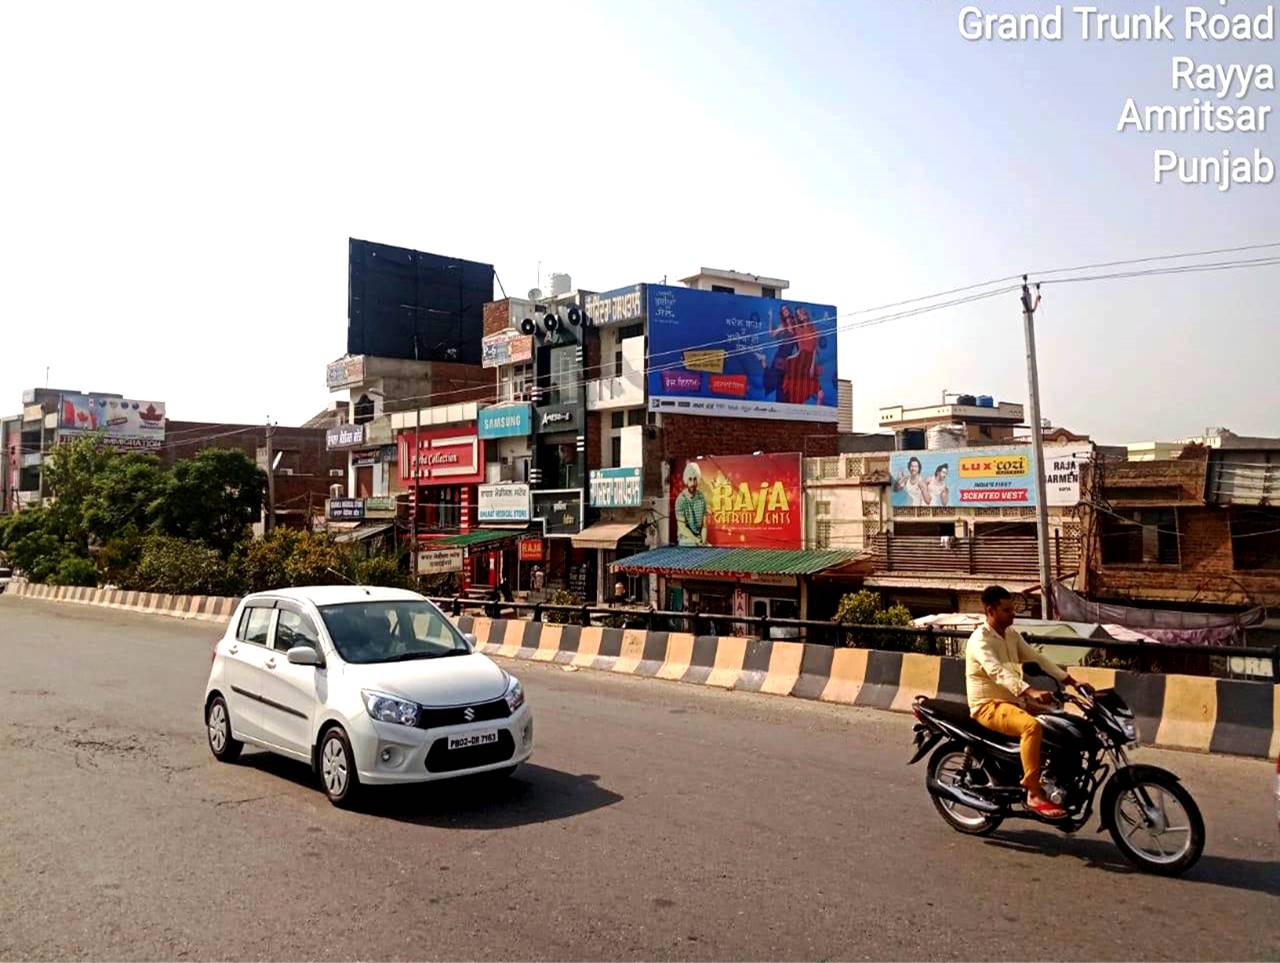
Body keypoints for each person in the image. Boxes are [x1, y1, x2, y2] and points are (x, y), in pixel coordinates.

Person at [967, 585, 1079, 819]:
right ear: (991, 611)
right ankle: (1033, 792)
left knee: (1061, 721)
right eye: (1007, 610)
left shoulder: (1011, 635)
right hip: (988, 705)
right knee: (1032, 726)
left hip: (1014, 702)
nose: (1013, 614)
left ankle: (1056, 777)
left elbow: (1037, 658)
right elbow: (996, 671)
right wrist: (1029, 691)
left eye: (1012, 609)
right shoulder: (980, 640)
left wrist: (1070, 680)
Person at [674, 461, 709, 546]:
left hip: (698, 538)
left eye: (695, 479)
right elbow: (682, 528)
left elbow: (704, 525)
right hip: (685, 538)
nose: (692, 483)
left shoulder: (701, 497)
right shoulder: (681, 500)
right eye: (690, 479)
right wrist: (696, 540)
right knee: (692, 544)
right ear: (686, 479)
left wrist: (703, 541)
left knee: (710, 549)